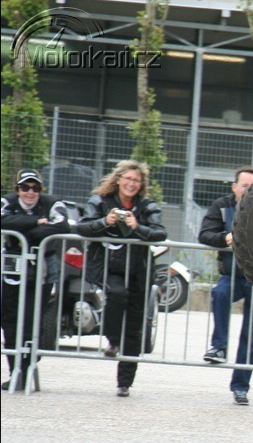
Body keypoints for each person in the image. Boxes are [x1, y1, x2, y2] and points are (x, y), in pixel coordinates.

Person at [76, 160, 167, 397]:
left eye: (136, 180)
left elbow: (160, 233)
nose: (131, 184)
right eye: (127, 178)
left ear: (141, 184)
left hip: (138, 270)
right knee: (117, 294)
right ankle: (113, 339)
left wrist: (137, 227)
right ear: (118, 180)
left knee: (135, 327)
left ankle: (125, 382)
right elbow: (82, 227)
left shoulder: (147, 206)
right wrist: (104, 221)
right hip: (107, 266)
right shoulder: (100, 201)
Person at [199, 167, 253, 406]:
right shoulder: (222, 206)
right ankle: (218, 346)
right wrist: (224, 238)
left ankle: (240, 387)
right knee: (219, 293)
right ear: (234, 187)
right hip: (232, 275)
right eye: (244, 186)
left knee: (251, 335)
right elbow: (204, 234)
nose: (248, 190)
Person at [1, 169, 73, 391]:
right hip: (13, 268)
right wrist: (35, 222)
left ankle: (28, 365)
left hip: (43, 270)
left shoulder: (53, 203)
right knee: (9, 318)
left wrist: (27, 231)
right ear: (17, 189)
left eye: (35, 188)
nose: (30, 192)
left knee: (33, 319)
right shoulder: (7, 201)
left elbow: (62, 225)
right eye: (25, 187)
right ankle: (16, 372)